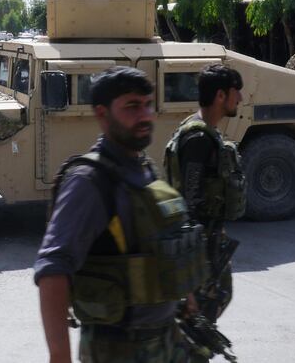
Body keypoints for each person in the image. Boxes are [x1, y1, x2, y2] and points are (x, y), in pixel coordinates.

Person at [35, 66, 207, 362]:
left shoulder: (145, 168)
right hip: (119, 349)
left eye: (147, 104)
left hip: (165, 338)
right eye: (131, 106)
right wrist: (59, 356)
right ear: (102, 114)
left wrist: (185, 291)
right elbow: (52, 269)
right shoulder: (89, 181)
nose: (145, 115)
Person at [163, 63, 246, 354]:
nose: (241, 99)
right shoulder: (198, 139)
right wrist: (192, 263)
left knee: (215, 301)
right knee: (196, 319)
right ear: (221, 96)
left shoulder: (202, 131)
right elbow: (189, 198)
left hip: (207, 240)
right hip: (198, 244)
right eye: (237, 92)